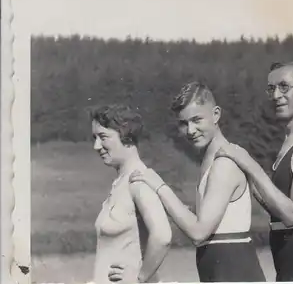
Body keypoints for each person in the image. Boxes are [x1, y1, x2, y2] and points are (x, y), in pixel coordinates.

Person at [215, 61, 293, 282]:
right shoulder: (289, 142)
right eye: (271, 88)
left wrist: (250, 165)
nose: (275, 95)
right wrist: (244, 174)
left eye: (284, 87)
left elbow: (292, 214)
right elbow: (278, 208)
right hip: (289, 264)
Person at [129, 82, 266, 282]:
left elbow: (199, 232)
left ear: (216, 114)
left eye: (196, 120)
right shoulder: (210, 161)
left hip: (232, 267)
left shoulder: (224, 163)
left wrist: (159, 186)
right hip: (219, 265)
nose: (190, 130)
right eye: (183, 123)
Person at [90, 104, 172, 284]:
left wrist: (139, 278)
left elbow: (163, 236)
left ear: (126, 135)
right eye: (94, 138)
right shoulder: (121, 181)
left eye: (103, 137)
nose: (96, 146)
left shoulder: (139, 180)